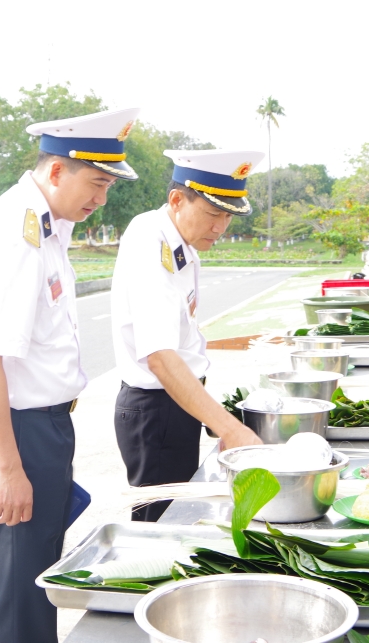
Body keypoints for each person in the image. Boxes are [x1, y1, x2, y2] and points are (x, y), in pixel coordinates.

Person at [0, 106, 139, 643]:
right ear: (57, 170)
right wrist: (9, 468)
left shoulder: (45, 226)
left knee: (33, 585)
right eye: (97, 183)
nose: (101, 199)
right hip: (19, 430)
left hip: (42, 426)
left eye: (108, 186)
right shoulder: (16, 233)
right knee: (20, 594)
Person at [110, 149, 265, 522]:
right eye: (213, 213)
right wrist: (230, 428)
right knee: (159, 529)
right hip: (156, 410)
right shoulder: (152, 242)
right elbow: (161, 358)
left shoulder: (178, 242)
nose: (220, 227)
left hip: (176, 403)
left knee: (176, 520)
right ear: (177, 200)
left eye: (228, 216)